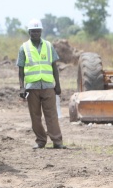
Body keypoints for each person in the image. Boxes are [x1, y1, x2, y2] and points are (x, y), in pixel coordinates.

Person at [17, 18, 67, 149]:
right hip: (32, 88)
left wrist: (58, 85)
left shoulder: (48, 46)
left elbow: (54, 66)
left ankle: (57, 141)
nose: (35, 34)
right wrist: (22, 87)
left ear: (41, 31)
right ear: (29, 32)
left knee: (52, 115)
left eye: (38, 31)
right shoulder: (24, 48)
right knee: (35, 116)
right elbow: (21, 69)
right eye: (33, 31)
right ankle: (40, 141)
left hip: (48, 86)